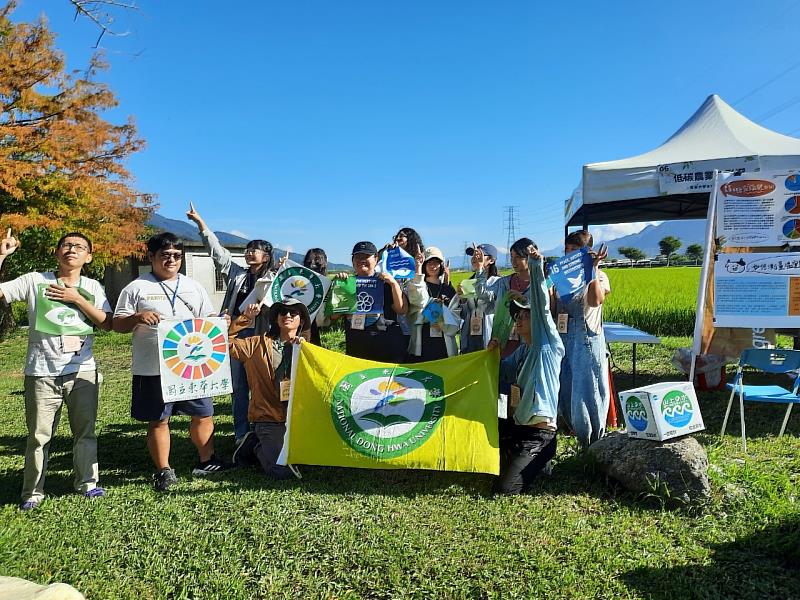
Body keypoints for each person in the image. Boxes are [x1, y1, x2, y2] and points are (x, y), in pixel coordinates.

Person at [0, 231, 112, 511]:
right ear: (57, 252)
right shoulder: (36, 280)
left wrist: (77, 299)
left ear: (88, 257)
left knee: (85, 432)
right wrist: (2, 255)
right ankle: (32, 491)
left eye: (80, 247)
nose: (72, 250)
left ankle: (88, 483)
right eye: (66, 245)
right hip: (41, 372)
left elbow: (106, 323)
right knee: (38, 436)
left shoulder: (93, 287)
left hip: (82, 371)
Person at [113, 232, 227, 492]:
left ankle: (206, 461)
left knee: (204, 413)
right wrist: (137, 317)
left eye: (177, 255)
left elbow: (206, 317)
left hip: (192, 364)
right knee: (159, 419)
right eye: (165, 255)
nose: (172, 260)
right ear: (151, 257)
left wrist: (220, 322)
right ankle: (164, 469)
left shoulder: (193, 286)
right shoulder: (136, 287)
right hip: (152, 366)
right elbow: (117, 325)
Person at [186, 203, 274, 445]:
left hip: (262, 338)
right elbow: (218, 253)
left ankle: (264, 429)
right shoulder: (238, 275)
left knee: (262, 385)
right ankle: (241, 434)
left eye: (254, 250)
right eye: (247, 249)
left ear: (266, 256)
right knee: (239, 388)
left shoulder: (274, 278)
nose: (248, 253)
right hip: (236, 337)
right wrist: (201, 224)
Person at [488, 245, 563, 495]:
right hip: (517, 427)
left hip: (539, 435)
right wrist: (491, 354)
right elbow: (499, 372)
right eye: (517, 316)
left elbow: (541, 308)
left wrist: (535, 267)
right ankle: (515, 454)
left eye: (525, 315)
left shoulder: (547, 345)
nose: (519, 320)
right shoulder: (521, 351)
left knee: (507, 489)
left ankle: (540, 460)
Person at [229, 298, 308, 478]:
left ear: (301, 320)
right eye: (282, 312)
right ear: (276, 319)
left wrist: (302, 350)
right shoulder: (255, 345)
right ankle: (257, 445)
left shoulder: (306, 348)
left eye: (293, 313)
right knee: (282, 472)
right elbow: (223, 342)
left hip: (297, 418)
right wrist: (244, 319)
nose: (287, 315)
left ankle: (257, 441)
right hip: (268, 417)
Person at [555, 230, 611, 448]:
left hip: (587, 339)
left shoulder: (600, 276)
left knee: (588, 389)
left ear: (587, 252)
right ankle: (571, 429)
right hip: (564, 338)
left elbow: (596, 300)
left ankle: (593, 442)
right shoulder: (561, 278)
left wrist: (592, 269)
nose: (569, 254)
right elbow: (552, 308)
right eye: (566, 250)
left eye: (574, 250)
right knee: (566, 387)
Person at [334, 241, 407, 363]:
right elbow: (334, 316)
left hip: (385, 346)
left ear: (376, 259)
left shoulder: (386, 282)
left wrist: (394, 283)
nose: (362, 260)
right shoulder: (346, 283)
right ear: (352, 261)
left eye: (366, 256)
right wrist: (338, 287)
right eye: (358, 257)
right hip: (356, 346)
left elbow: (401, 310)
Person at [474, 237, 536, 358]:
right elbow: (482, 294)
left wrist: (524, 301)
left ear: (529, 257)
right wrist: (480, 268)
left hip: (529, 348)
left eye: (518, 257)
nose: (514, 261)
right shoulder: (504, 283)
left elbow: (544, 311)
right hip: (503, 345)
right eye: (512, 257)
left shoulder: (539, 285)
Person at [407, 246, 458, 361]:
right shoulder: (417, 285)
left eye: (436, 262)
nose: (433, 266)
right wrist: (418, 268)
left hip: (445, 347)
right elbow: (417, 302)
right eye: (429, 262)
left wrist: (441, 322)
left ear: (441, 265)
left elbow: (456, 317)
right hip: (422, 346)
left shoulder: (449, 290)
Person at [449, 243, 499, 354]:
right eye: (473, 255)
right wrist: (462, 300)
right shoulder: (467, 283)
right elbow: (462, 314)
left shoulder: (498, 283)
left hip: (489, 340)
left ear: (491, 260)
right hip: (470, 340)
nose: (474, 258)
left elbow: (491, 305)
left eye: (479, 255)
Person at [303, 248, 328, 345]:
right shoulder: (298, 280)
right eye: (309, 262)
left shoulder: (328, 284)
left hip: (317, 331)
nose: (312, 265)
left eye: (317, 261)